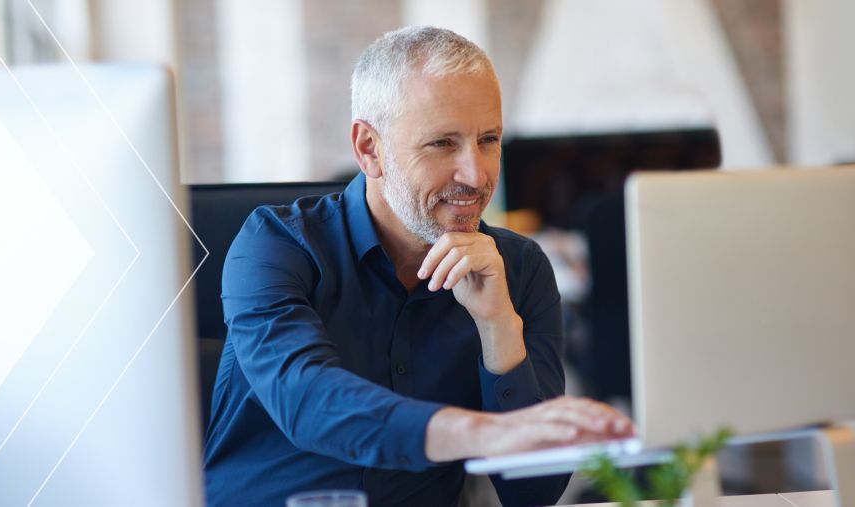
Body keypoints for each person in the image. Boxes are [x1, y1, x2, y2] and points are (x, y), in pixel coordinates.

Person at [203, 26, 633, 507]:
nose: (476, 175)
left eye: (488, 139)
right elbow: (308, 401)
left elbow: (534, 491)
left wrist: (498, 327)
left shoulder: (519, 267)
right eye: (442, 144)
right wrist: (485, 433)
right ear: (369, 148)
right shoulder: (276, 245)